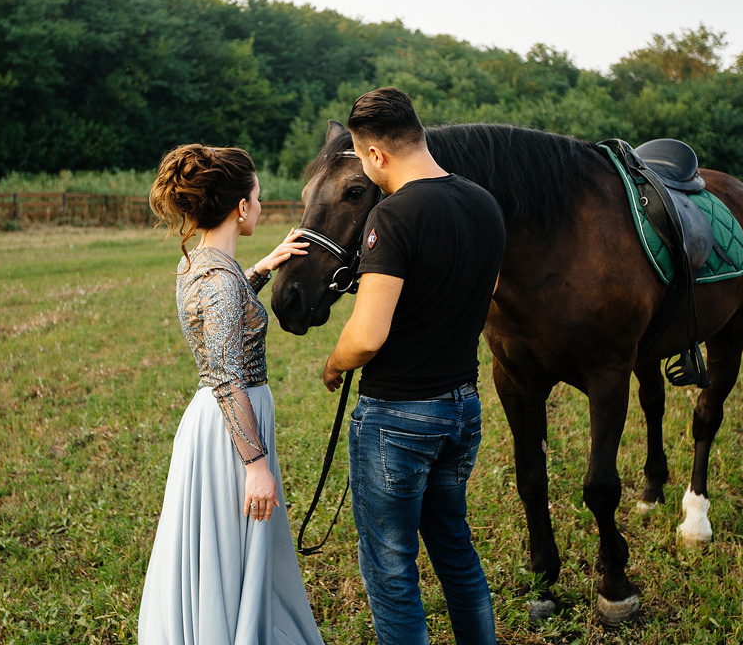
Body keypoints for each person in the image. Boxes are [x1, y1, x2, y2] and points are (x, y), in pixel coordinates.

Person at [321, 88, 506, 645]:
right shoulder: (484, 203)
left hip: (398, 419)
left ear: (375, 155)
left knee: (391, 567)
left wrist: (334, 364)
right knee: (454, 547)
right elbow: (487, 291)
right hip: (462, 409)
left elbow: (367, 334)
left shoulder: (393, 215)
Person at [139, 144, 323, 645]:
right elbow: (225, 374)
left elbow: (226, 311)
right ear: (241, 207)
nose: (260, 206)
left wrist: (264, 267)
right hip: (232, 432)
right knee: (232, 547)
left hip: (212, 423)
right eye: (258, 197)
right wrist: (255, 466)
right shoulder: (219, 280)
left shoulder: (199, 263)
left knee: (226, 550)